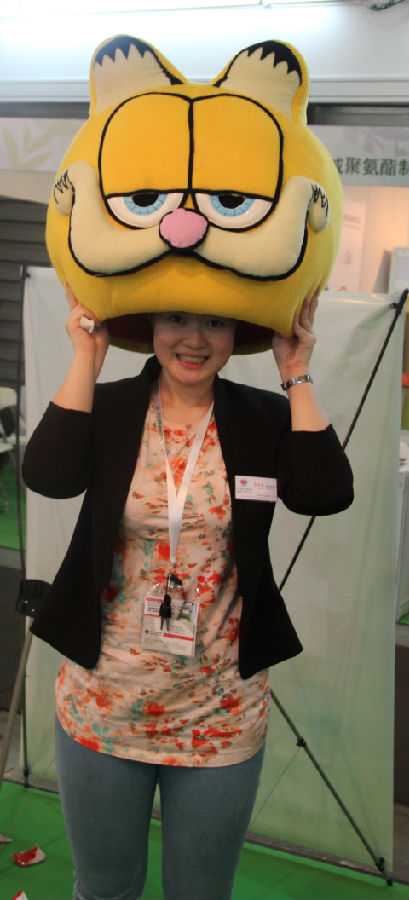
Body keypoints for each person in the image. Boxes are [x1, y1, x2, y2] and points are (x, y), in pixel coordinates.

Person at [22, 289, 354, 900]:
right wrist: (86, 358)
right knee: (104, 890)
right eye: (176, 318)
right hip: (105, 701)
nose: (194, 339)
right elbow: (47, 476)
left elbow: (326, 492)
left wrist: (296, 372)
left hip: (219, 710)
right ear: (151, 323)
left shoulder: (259, 417)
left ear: (236, 334)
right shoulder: (110, 407)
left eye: (215, 322)